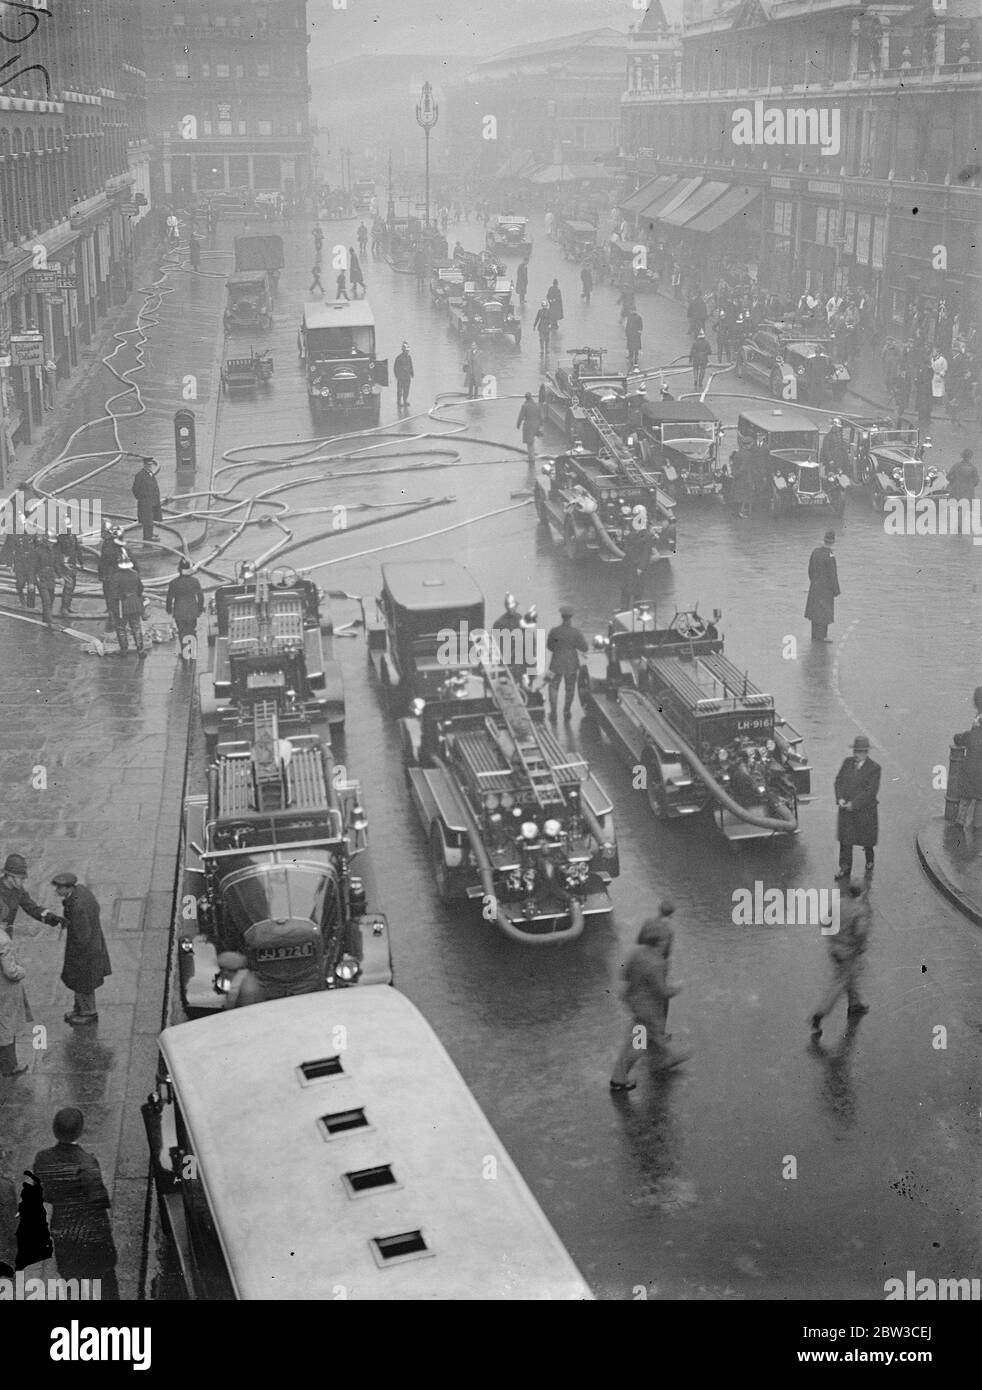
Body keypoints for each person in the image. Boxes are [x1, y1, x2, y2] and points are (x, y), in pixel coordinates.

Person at [32, 1109, 119, 1299]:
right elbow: (100, 1200)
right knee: (105, 1280)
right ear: (80, 1130)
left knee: (72, 1281)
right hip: (93, 1234)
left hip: (64, 1231)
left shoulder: (42, 1158)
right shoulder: (87, 1162)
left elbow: (44, 1193)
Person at [609, 904, 686, 1091]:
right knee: (639, 1045)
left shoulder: (637, 954)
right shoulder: (656, 963)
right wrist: (677, 988)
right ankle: (619, 1079)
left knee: (648, 1036)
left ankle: (665, 1058)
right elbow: (663, 992)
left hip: (635, 1003)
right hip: (647, 1010)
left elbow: (624, 975)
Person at [809, 885, 871, 1035]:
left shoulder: (838, 903)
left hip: (834, 949)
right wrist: (860, 945)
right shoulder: (860, 910)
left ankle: (855, 1004)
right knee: (839, 982)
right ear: (860, 893)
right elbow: (860, 932)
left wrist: (833, 938)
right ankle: (819, 1013)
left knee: (849, 975)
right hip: (848, 951)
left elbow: (823, 923)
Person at [50, 874, 111, 1025]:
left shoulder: (77, 907)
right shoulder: (81, 891)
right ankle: (79, 1009)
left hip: (84, 953)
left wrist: (76, 954)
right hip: (92, 945)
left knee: (83, 982)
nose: (57, 890)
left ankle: (87, 1013)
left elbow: (82, 936)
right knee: (82, 982)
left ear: (68, 888)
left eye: (60, 888)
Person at [834, 734, 881, 881]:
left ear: (866, 752)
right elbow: (838, 781)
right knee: (846, 840)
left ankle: (869, 859)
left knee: (866, 840)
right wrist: (840, 798)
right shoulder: (847, 762)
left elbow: (870, 791)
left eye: (860, 752)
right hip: (846, 810)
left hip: (864, 812)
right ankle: (844, 868)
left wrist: (853, 804)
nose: (857, 755)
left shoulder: (874, 768)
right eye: (855, 751)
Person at [1, 853, 61, 938]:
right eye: (21, 878)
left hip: (6, 938)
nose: (23, 881)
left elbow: (31, 908)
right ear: (10, 877)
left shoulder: (18, 891)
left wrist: (49, 917)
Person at [545, 604, 587, 721]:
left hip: (556, 664)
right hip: (571, 664)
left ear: (562, 617)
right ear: (571, 617)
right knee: (570, 688)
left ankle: (553, 713)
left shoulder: (554, 631)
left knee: (553, 687)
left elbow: (549, 646)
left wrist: (558, 650)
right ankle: (567, 711)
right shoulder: (576, 632)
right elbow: (584, 648)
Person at [0, 920, 31, 1077]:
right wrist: (22, 970)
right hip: (4, 990)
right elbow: (10, 972)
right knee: (6, 1025)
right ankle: (9, 1066)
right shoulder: (3, 940)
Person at [952, 689, 982, 841]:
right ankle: (977, 827)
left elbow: (964, 738)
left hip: (971, 769)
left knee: (965, 799)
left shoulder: (975, 729)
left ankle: (960, 823)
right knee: (979, 800)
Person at [106, 558, 147, 657]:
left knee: (121, 627)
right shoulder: (135, 574)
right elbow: (140, 588)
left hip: (122, 605)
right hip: (135, 602)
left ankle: (124, 650)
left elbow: (113, 593)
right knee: (136, 626)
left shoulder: (115, 576)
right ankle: (141, 650)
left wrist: (112, 607)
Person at [165, 558, 204, 659]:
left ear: (179, 570)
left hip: (179, 610)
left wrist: (168, 609)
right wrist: (200, 609)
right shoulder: (195, 581)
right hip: (192, 610)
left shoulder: (173, 583)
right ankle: (192, 652)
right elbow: (201, 597)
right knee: (191, 630)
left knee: (182, 632)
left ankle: (185, 653)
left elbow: (169, 598)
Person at [805, 529, 839, 643]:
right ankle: (823, 636)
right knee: (824, 613)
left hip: (814, 586)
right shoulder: (830, 556)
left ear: (824, 540)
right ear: (833, 541)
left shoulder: (815, 551)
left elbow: (809, 570)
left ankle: (814, 635)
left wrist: (814, 581)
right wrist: (835, 590)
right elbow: (833, 575)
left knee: (814, 613)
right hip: (826, 589)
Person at [619, 506, 653, 610]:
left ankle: (636, 611)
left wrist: (641, 568)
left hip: (637, 567)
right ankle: (624, 611)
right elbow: (627, 546)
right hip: (628, 565)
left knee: (637, 592)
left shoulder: (646, 536)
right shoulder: (632, 533)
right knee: (625, 590)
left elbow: (646, 554)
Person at [32, 531, 63, 629]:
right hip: (41, 578)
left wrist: (60, 576)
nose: (52, 544)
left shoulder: (53, 551)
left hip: (50, 578)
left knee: (51, 599)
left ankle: (45, 619)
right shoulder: (37, 551)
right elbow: (31, 568)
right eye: (50, 542)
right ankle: (50, 622)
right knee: (47, 601)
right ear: (45, 541)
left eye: (53, 543)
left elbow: (56, 564)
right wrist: (31, 582)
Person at [0, 527, 36, 607]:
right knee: (20, 583)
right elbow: (9, 549)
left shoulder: (33, 534)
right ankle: (21, 597)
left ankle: (31, 605)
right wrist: (9, 565)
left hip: (31, 563)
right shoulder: (14, 535)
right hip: (19, 564)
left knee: (31, 584)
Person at [55, 520, 84, 616]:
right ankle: (64, 608)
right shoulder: (60, 538)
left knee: (72, 587)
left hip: (73, 564)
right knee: (68, 586)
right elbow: (58, 554)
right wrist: (62, 565)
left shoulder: (73, 536)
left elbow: (77, 549)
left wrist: (81, 561)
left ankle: (68, 606)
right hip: (66, 565)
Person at [131, 457, 161, 542]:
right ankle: (147, 537)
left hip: (153, 501)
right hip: (145, 502)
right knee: (147, 520)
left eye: (151, 465)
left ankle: (150, 533)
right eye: (148, 465)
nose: (149, 467)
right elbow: (135, 489)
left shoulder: (150, 474)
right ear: (144, 465)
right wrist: (142, 498)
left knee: (151, 519)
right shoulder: (140, 475)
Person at [516, 391, 543, 466]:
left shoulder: (525, 406)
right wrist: (540, 425)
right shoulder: (537, 405)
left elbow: (521, 416)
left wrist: (518, 425)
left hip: (529, 426)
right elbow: (540, 416)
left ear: (526, 398)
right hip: (536, 425)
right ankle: (532, 456)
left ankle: (531, 459)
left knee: (530, 443)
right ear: (531, 397)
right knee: (532, 441)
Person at [393, 341, 414, 409]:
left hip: (407, 376)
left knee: (406, 390)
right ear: (403, 350)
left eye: (408, 351)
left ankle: (405, 401)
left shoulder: (409, 357)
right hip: (401, 377)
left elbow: (411, 366)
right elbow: (395, 367)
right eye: (406, 351)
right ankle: (399, 402)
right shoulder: (399, 357)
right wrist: (397, 376)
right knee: (400, 390)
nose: (407, 352)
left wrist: (412, 373)